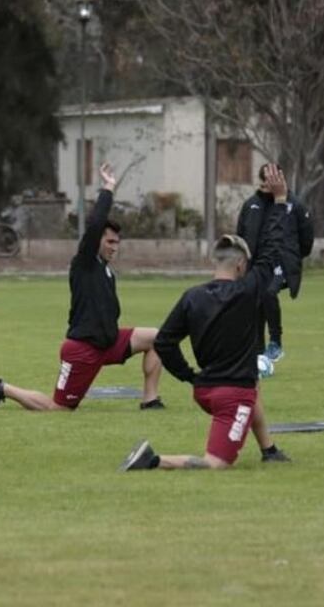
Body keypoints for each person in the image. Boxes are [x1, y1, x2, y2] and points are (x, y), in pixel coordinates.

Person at [120, 164, 293, 472]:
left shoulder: (192, 296)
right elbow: (272, 248)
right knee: (216, 463)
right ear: (241, 265)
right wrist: (280, 202)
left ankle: (270, 450)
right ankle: (152, 460)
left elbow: (164, 341)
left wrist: (190, 376)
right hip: (231, 395)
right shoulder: (250, 289)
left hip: (204, 391)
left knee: (251, 384)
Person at [0, 163, 164, 413]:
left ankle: (150, 400)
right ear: (95, 240)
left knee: (157, 338)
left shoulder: (105, 268)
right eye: (109, 241)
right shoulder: (85, 261)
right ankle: (0, 387)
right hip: (83, 350)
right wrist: (108, 187)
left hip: (107, 343)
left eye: (117, 242)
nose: (114, 247)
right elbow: (97, 220)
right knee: (59, 408)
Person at [236, 163, 314, 362]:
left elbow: (306, 239)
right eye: (264, 184)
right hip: (255, 263)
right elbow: (241, 235)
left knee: (268, 292)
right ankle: (258, 352)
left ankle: (276, 342)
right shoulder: (251, 205)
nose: (267, 188)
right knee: (256, 301)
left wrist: (292, 258)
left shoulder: (294, 205)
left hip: (281, 262)